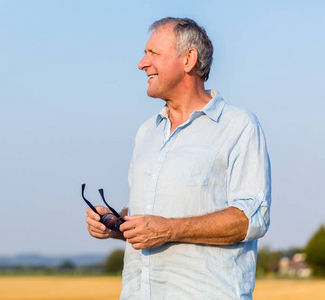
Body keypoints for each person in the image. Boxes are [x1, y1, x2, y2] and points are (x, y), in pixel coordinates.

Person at [85, 17, 271, 299]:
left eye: (153, 54)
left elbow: (251, 219)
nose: (142, 63)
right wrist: (116, 223)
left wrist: (168, 230)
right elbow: (149, 222)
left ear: (188, 60)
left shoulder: (239, 126)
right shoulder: (146, 132)